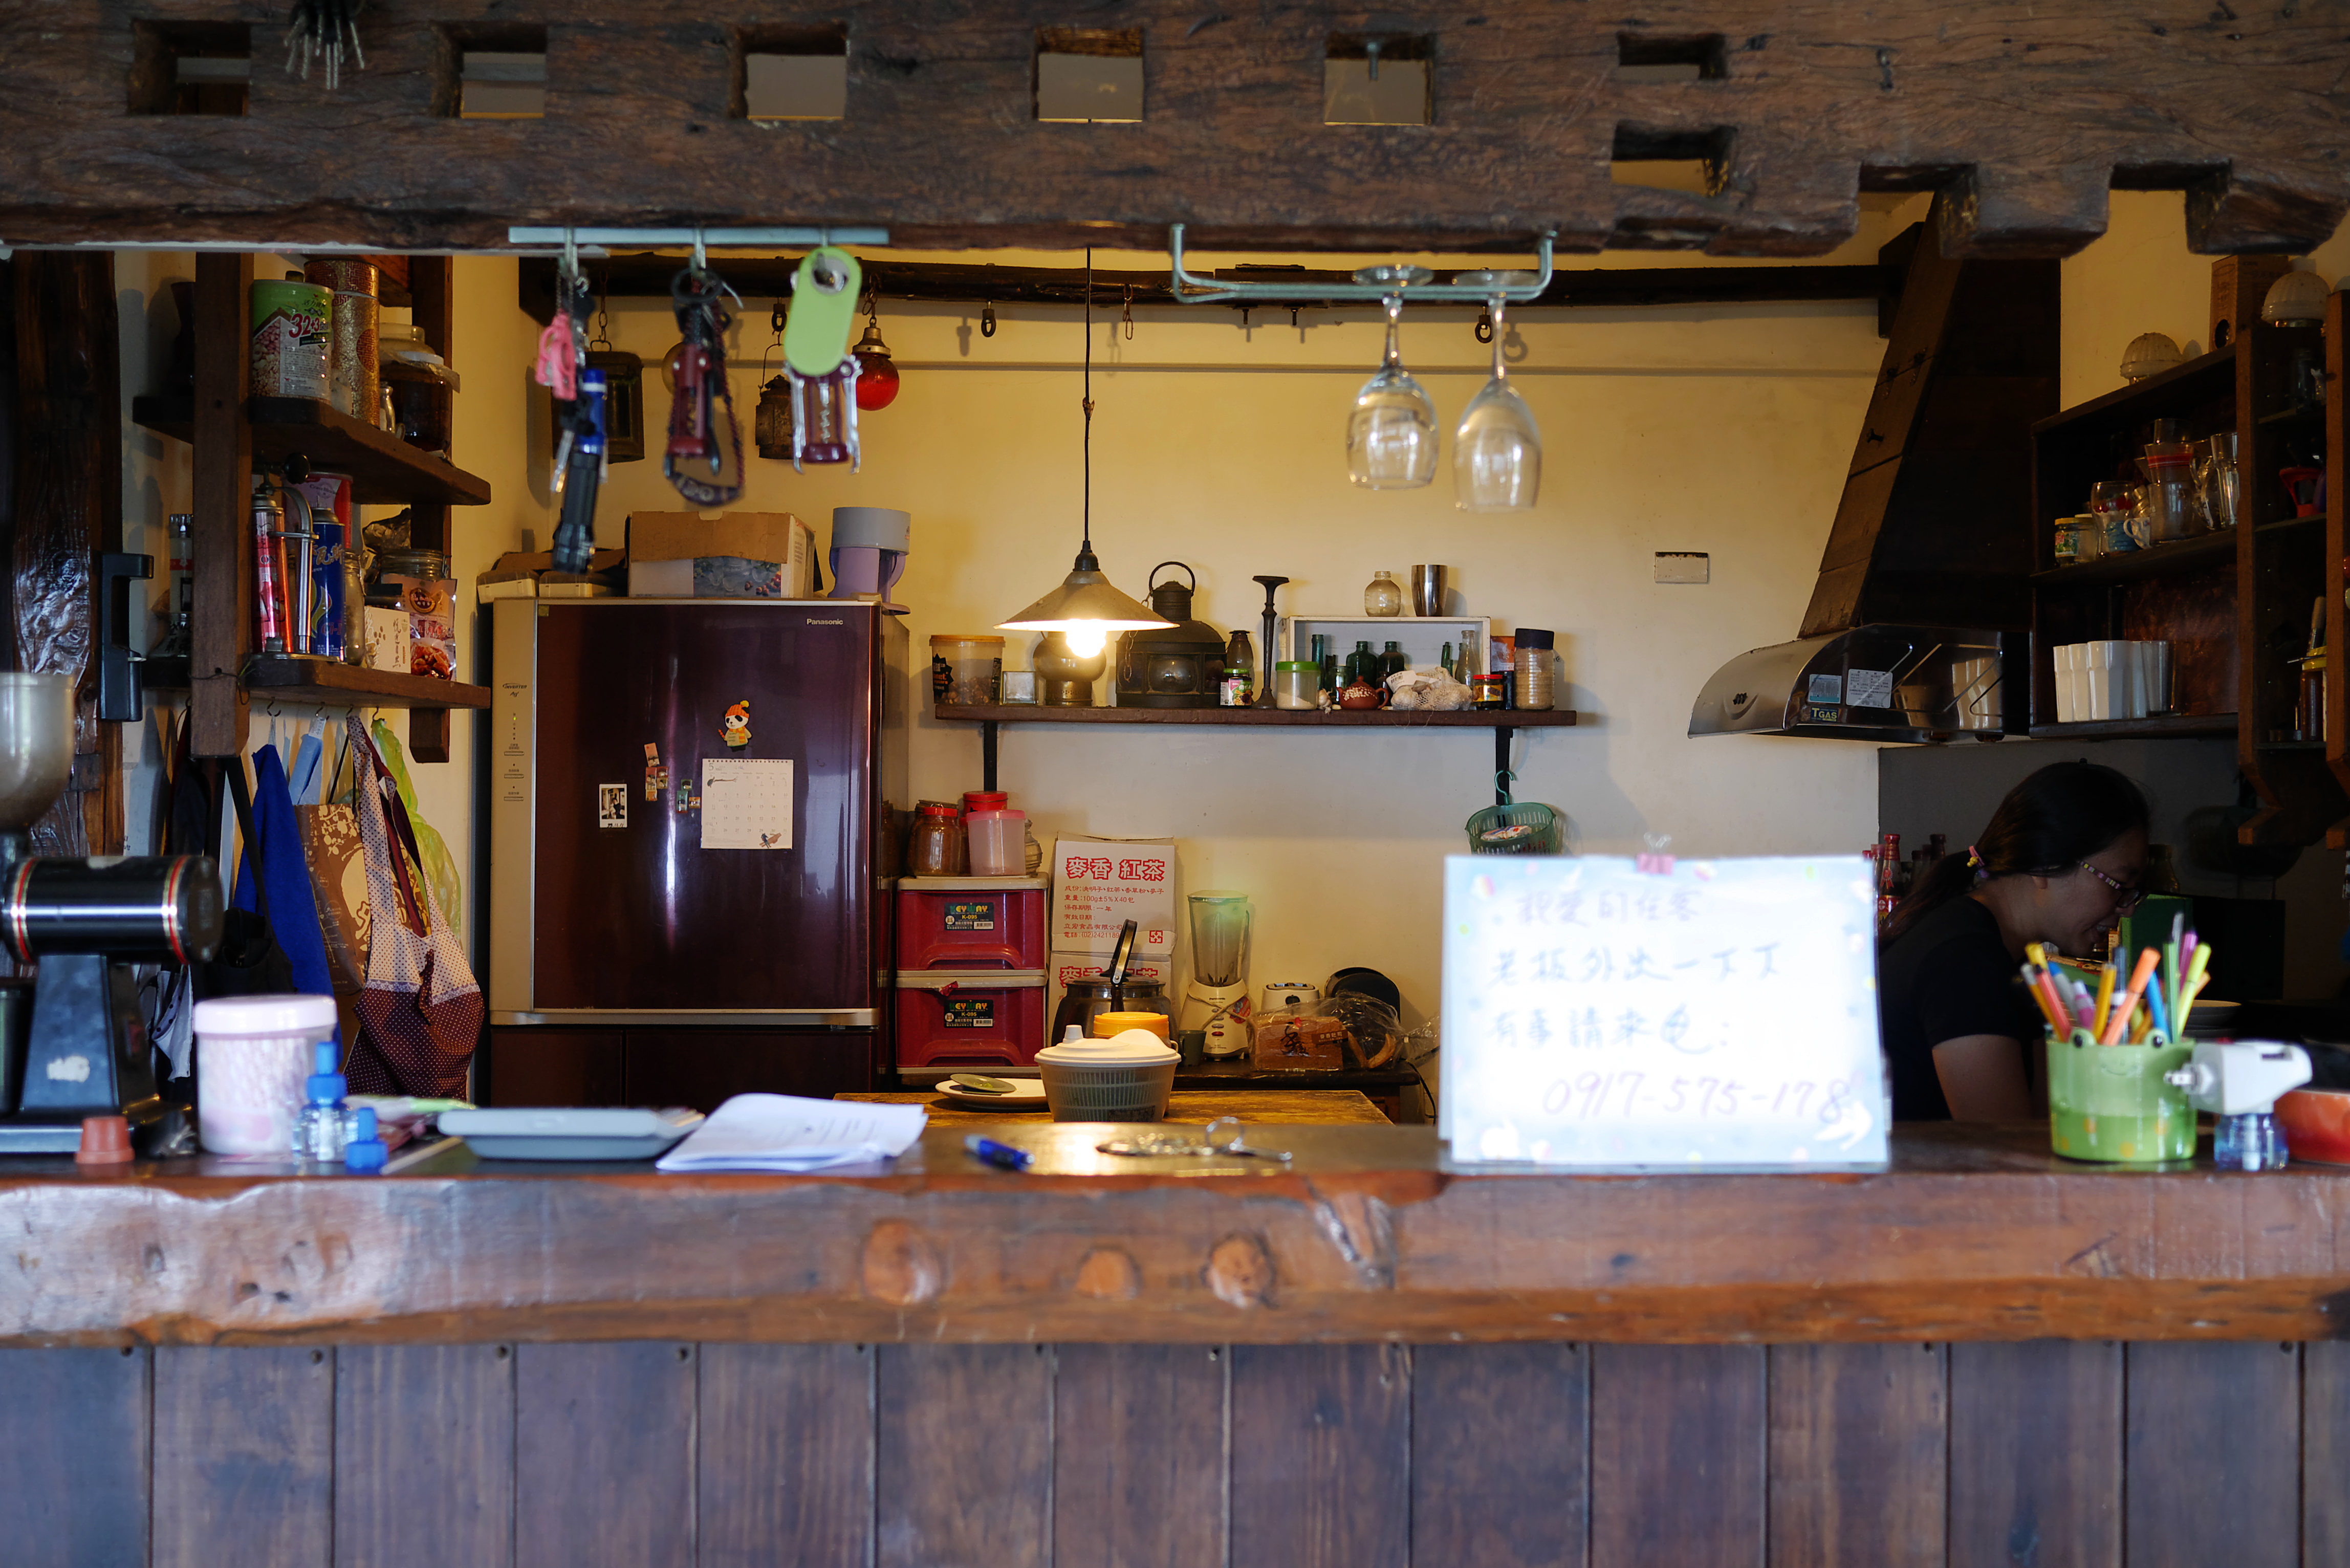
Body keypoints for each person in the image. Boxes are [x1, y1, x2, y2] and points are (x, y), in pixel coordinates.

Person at [1878, 761, 2150, 1121]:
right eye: (2119, 884)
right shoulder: (1964, 962)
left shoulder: (2007, 955)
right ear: (2046, 864)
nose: (2127, 908)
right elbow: (2000, 1143)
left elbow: (2041, 1119)